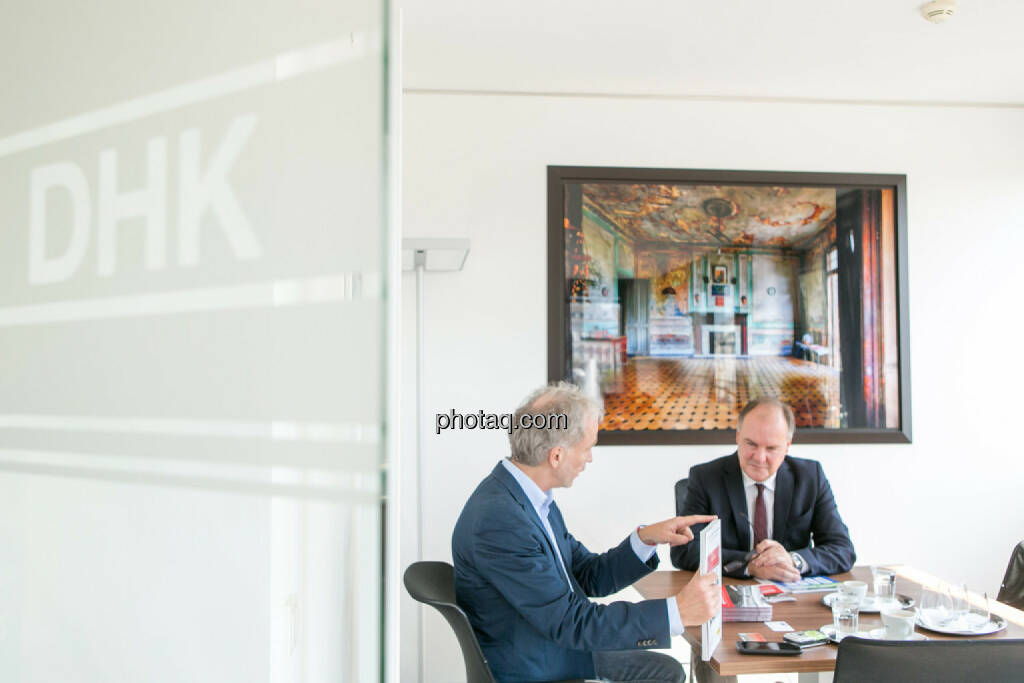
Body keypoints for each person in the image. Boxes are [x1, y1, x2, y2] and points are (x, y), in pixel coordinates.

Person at [453, 382, 719, 683]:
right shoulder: (501, 520)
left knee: (667, 669)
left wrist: (646, 539)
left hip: (549, 642)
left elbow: (586, 575)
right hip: (537, 663)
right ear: (556, 456)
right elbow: (570, 624)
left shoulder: (528, 498)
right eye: (588, 448)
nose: (589, 459)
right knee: (667, 673)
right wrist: (676, 612)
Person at [670, 397, 855, 581]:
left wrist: (792, 560)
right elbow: (684, 551)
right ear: (738, 436)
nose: (759, 458)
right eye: (751, 444)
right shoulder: (706, 477)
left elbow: (842, 550)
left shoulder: (809, 477)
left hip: (793, 596)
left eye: (771, 448)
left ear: (787, 446)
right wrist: (751, 565)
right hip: (728, 589)